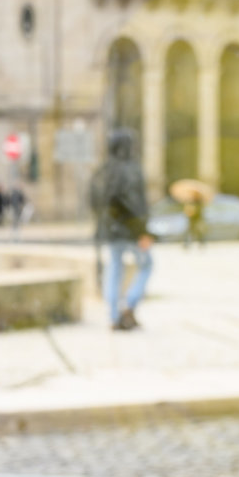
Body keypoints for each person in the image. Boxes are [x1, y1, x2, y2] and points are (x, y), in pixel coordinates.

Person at [89, 129, 153, 331]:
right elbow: (137, 203)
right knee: (147, 264)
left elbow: (92, 197)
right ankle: (129, 305)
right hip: (131, 229)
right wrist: (142, 230)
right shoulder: (132, 170)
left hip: (112, 229)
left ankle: (113, 315)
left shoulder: (104, 170)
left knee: (115, 269)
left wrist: (103, 220)